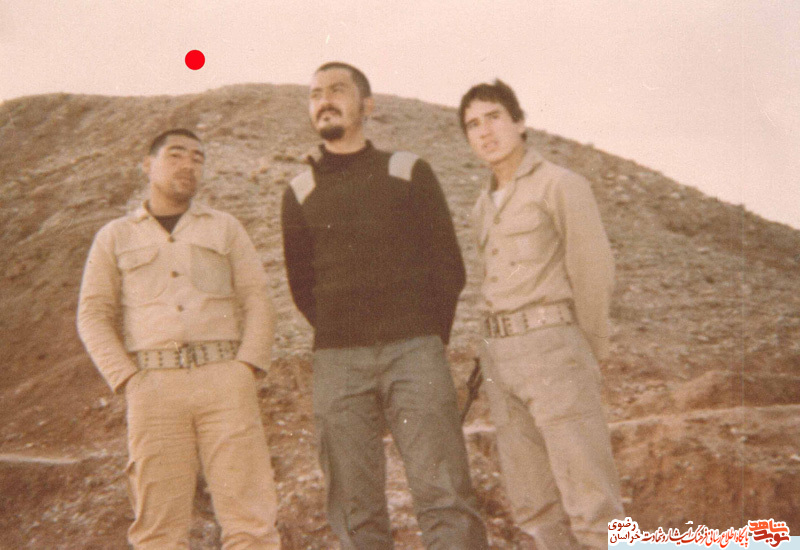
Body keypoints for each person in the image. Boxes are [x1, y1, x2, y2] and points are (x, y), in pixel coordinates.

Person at [281, 62, 489, 550]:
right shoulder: (299, 192)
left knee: (443, 493)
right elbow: (302, 285)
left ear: (367, 105)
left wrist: (424, 334)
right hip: (337, 361)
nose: (325, 101)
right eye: (315, 94)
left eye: (338, 90)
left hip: (414, 351)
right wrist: (344, 331)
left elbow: (447, 267)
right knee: (355, 507)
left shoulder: (408, 171)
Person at [77, 129, 281, 549]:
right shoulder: (115, 236)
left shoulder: (225, 228)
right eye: (175, 155)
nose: (188, 165)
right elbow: (92, 314)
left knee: (250, 520)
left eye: (198, 158)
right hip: (154, 389)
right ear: (147, 165)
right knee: (158, 528)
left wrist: (246, 367)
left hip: (224, 382)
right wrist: (128, 379)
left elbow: (257, 298)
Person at [459, 80, 624, 550]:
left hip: (553, 347)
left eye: (494, 117)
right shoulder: (482, 206)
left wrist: (586, 349)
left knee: (591, 502)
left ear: (519, 122)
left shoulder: (560, 185)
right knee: (534, 506)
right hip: (500, 357)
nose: (485, 131)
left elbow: (593, 271)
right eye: (473, 124)